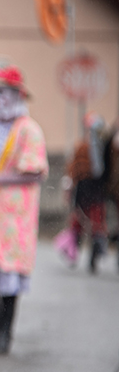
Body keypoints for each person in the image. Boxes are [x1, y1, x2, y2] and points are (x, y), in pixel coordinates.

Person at [0, 66, 48, 354]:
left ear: (17, 94)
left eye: (3, 92)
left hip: (16, 214)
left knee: (10, 273)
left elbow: (36, 171)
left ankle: (5, 330)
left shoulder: (29, 129)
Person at [61, 113, 112, 273]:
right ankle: (85, 253)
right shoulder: (100, 147)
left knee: (84, 221)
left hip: (88, 189)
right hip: (92, 189)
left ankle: (83, 254)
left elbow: (74, 169)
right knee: (90, 222)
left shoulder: (94, 147)